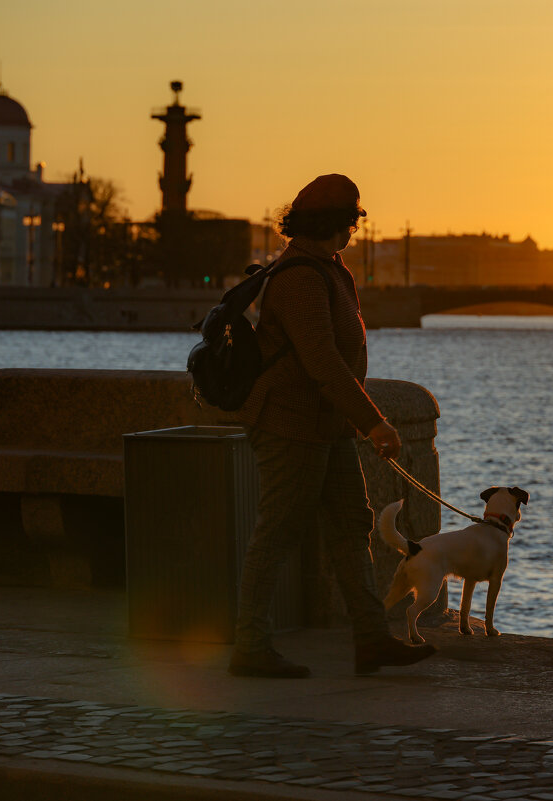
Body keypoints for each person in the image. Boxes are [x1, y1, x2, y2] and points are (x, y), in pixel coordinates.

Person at [228, 173, 436, 678]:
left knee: (351, 527)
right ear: (334, 223)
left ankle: (371, 640)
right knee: (277, 532)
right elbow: (321, 360)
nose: (354, 232)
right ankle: (249, 648)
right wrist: (375, 423)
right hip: (290, 423)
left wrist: (354, 419)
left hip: (328, 424)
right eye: (351, 222)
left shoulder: (328, 268)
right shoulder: (300, 276)